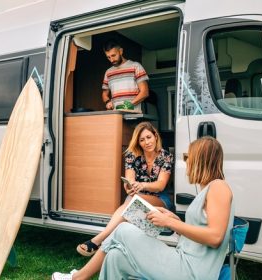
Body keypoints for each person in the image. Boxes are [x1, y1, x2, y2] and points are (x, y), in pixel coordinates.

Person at [52, 136, 234, 280]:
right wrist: (174, 220)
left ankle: (77, 278)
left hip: (190, 270)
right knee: (116, 257)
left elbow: (215, 237)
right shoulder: (209, 189)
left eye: (189, 158)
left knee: (122, 229)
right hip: (184, 261)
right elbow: (201, 232)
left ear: (200, 160)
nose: (186, 163)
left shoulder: (219, 187)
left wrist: (170, 223)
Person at [75, 121, 173, 257]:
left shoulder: (166, 156)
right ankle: (106, 244)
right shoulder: (132, 155)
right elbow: (129, 181)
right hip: (136, 197)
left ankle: (98, 239)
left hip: (160, 199)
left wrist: (142, 186)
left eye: (149, 137)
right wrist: (129, 187)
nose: (147, 142)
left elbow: (160, 185)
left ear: (155, 136)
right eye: (142, 140)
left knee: (131, 203)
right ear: (138, 142)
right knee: (130, 206)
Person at [102, 39, 149, 111]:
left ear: (121, 51)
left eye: (113, 55)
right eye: (108, 57)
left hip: (133, 115)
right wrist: (108, 102)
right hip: (116, 116)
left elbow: (145, 92)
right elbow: (104, 94)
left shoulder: (135, 66)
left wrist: (127, 106)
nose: (111, 60)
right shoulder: (108, 72)